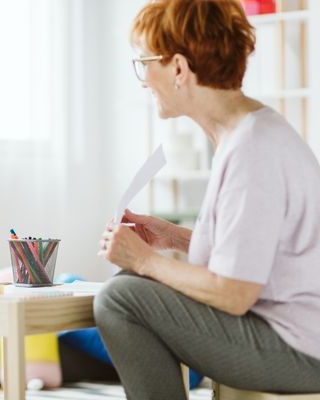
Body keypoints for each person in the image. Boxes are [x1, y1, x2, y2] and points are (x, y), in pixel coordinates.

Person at [94, 0, 320, 399]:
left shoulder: (253, 150)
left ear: (179, 68)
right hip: (297, 338)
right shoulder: (250, 134)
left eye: (146, 62)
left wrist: (145, 260)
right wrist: (170, 238)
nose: (143, 78)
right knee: (130, 284)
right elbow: (252, 252)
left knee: (121, 297)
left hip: (300, 349)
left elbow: (233, 293)